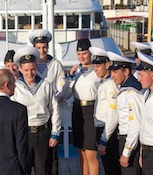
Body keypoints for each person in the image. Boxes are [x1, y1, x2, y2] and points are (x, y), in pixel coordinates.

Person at [11, 46, 61, 175]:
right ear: (20, 69)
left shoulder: (46, 86)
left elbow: (54, 109)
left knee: (43, 170)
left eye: (32, 69)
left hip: (42, 133)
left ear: (36, 67)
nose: (30, 73)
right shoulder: (16, 88)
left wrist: (55, 133)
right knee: (23, 170)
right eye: (26, 70)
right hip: (23, 134)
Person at [29, 28, 70, 175]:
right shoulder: (29, 67)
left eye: (44, 47)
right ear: (34, 47)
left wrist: (51, 100)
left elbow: (62, 88)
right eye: (39, 47)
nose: (42, 50)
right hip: (34, 117)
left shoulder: (56, 65)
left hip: (51, 115)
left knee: (51, 157)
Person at [68, 38, 101, 175]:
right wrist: (70, 77)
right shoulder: (77, 72)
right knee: (81, 152)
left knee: (91, 154)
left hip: (91, 111)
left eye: (85, 54)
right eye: (79, 54)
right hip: (77, 111)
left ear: (90, 53)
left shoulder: (97, 71)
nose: (82, 57)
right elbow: (66, 93)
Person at [107, 51, 142, 175]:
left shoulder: (131, 93)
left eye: (115, 72)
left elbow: (135, 125)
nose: (112, 76)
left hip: (130, 142)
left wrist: (126, 152)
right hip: (126, 139)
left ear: (126, 72)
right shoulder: (125, 89)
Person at [89, 47, 121, 175]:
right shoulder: (103, 83)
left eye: (98, 66)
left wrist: (104, 140)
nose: (95, 70)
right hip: (102, 130)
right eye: (94, 66)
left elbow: (113, 115)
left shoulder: (110, 85)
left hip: (108, 132)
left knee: (112, 168)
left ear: (107, 64)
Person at [135, 51, 153, 175]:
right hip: (146, 150)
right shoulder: (146, 94)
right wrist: (142, 153)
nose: (138, 78)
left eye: (141, 75)